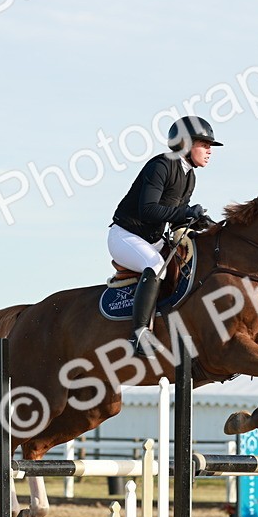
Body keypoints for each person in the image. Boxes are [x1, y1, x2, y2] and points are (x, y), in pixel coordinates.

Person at [109, 115, 222, 357]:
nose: (209, 151)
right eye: (204, 144)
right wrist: (186, 212)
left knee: (187, 266)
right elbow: (148, 210)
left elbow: (176, 217)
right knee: (156, 265)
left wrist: (203, 223)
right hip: (125, 235)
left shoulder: (189, 176)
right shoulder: (162, 165)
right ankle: (140, 334)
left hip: (152, 239)